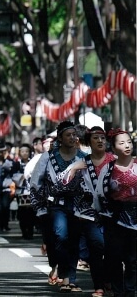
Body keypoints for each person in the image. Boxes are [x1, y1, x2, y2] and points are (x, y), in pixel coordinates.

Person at [58, 126, 115, 297]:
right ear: (89, 142)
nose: (100, 141)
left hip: (113, 213)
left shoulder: (115, 160)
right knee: (97, 247)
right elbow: (62, 182)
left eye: (102, 138)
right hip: (87, 213)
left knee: (112, 250)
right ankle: (99, 286)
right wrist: (74, 169)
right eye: (96, 138)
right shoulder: (82, 162)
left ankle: (110, 282)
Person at [30, 121, 87, 292]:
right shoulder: (48, 157)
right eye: (68, 135)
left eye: (74, 134)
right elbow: (35, 183)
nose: (72, 138)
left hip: (77, 204)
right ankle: (64, 274)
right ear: (60, 138)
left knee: (74, 240)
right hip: (55, 205)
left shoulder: (82, 156)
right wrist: (39, 208)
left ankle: (71, 279)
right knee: (60, 236)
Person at [104, 128, 136, 296]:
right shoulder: (108, 169)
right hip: (114, 217)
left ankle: (130, 291)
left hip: (135, 216)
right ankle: (118, 291)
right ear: (114, 147)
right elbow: (99, 194)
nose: (127, 145)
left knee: (132, 259)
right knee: (115, 257)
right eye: (122, 143)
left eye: (129, 142)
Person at [15, 143, 35, 239]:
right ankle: (24, 231)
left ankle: (30, 230)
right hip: (21, 191)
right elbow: (14, 177)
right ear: (19, 153)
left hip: (31, 191)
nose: (25, 153)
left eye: (27, 151)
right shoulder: (17, 164)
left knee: (31, 212)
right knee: (22, 213)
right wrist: (22, 177)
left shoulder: (33, 163)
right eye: (22, 151)